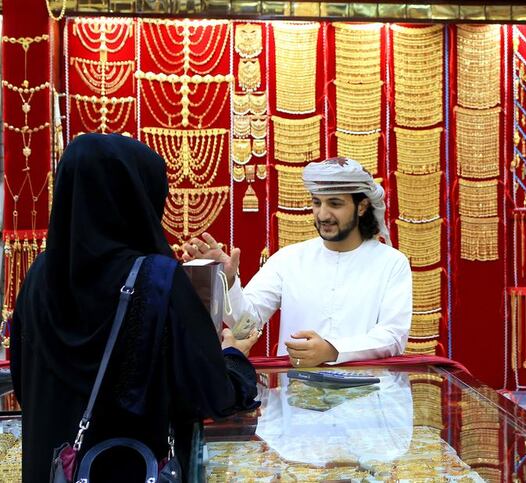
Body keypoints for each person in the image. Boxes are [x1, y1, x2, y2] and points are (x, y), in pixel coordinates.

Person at [10, 133, 261, 482]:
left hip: (56, 466)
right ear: (136, 198)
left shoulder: (39, 275)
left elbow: (23, 384)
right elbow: (212, 396)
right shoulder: (155, 279)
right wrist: (233, 357)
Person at [182, 157, 412, 367]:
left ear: (361, 207)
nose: (322, 215)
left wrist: (331, 350)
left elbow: (393, 336)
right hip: (297, 400)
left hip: (367, 399)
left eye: (335, 204)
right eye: (317, 203)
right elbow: (246, 328)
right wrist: (228, 281)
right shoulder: (288, 259)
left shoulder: (391, 262)